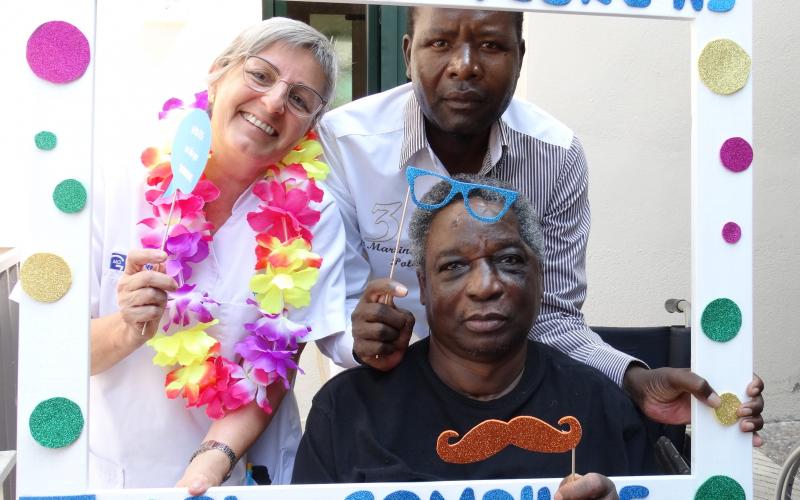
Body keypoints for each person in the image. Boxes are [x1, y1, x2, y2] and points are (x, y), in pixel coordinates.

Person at [316, 6, 764, 440]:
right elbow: (335, 303)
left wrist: (632, 379)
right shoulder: (344, 144)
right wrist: (358, 340)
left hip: (519, 405)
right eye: (440, 43)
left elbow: (552, 317)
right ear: (409, 54)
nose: (465, 66)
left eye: (491, 44)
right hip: (382, 402)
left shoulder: (555, 155)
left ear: (520, 56)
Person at [89, 18, 345, 493]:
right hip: (122, 473)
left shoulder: (315, 214)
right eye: (260, 75)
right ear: (217, 74)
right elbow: (58, 353)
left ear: (311, 126)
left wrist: (212, 461)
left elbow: (275, 361)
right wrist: (127, 328)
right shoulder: (114, 181)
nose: (272, 103)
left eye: (300, 99)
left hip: (242, 473)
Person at [292, 175, 649, 499]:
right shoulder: (348, 412)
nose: (485, 286)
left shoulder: (602, 407)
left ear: (539, 277)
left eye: (509, 261)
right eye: (454, 267)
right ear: (423, 286)